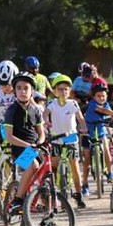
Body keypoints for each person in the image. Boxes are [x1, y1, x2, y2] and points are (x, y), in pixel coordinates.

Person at [2, 72, 45, 217]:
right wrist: (28, 145)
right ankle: (18, 200)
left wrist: (39, 142)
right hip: (19, 147)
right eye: (19, 88)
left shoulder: (36, 110)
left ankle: (44, 199)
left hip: (35, 146)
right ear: (14, 91)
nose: (22, 91)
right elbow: (9, 137)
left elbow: (41, 132)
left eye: (26, 88)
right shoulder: (12, 111)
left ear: (32, 91)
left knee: (50, 166)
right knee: (33, 165)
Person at [44, 74, 87, 209]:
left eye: (66, 89)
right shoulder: (51, 104)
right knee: (54, 165)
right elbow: (45, 114)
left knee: (74, 166)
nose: (63, 92)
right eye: (60, 89)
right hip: (56, 138)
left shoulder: (73, 103)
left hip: (71, 138)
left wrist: (84, 128)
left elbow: (80, 118)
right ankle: (52, 193)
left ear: (70, 91)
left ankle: (78, 194)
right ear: (55, 91)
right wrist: (46, 121)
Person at [82, 83, 113, 195]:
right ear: (93, 97)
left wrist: (111, 132)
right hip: (88, 134)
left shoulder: (107, 105)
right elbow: (101, 110)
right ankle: (85, 184)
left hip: (101, 134)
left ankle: (110, 172)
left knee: (107, 149)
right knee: (86, 159)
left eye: (103, 96)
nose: (101, 98)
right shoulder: (92, 105)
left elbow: (109, 122)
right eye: (98, 96)